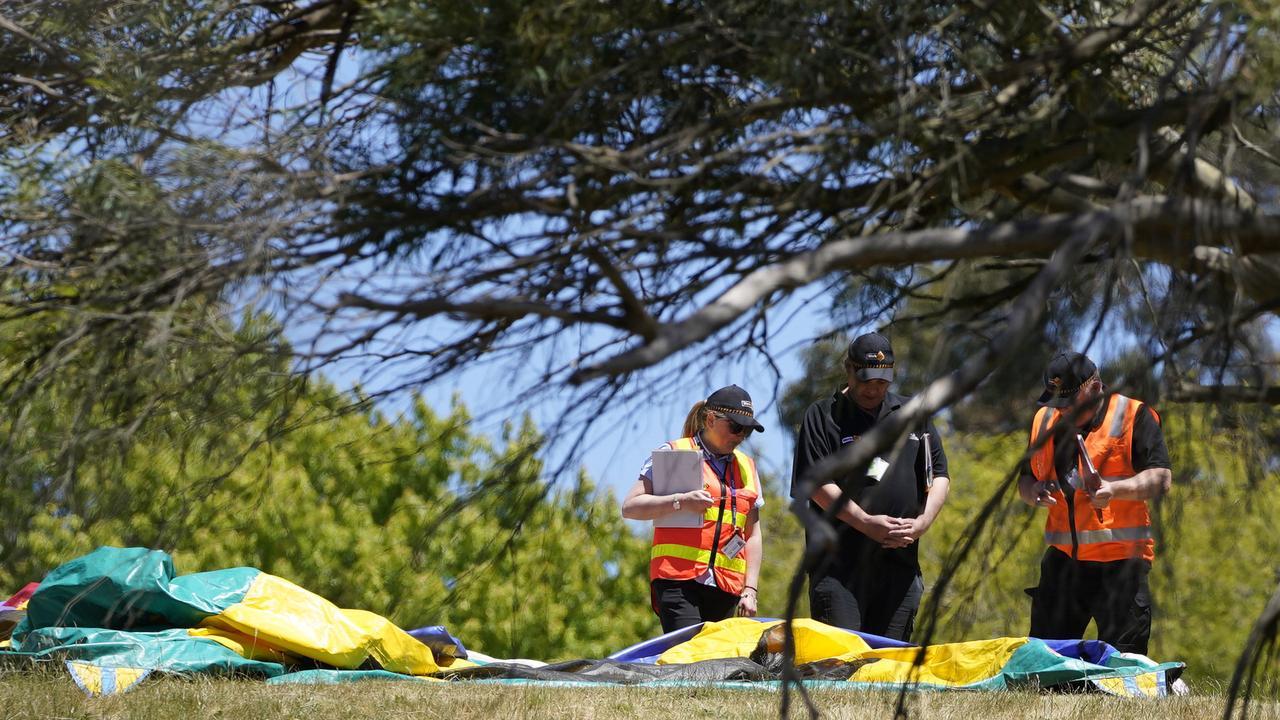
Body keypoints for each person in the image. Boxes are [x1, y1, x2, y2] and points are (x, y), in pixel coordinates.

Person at [789, 332, 951, 641]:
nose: (874, 389)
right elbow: (815, 483)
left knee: (889, 668)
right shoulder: (823, 415)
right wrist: (865, 523)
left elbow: (939, 476)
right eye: (866, 380)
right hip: (839, 569)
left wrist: (922, 523)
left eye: (882, 381)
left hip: (899, 567)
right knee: (842, 663)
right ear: (847, 369)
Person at [1017, 351, 1171, 655]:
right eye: (1058, 403)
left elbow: (1161, 478)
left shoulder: (1133, 415)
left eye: (1071, 403)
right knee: (1045, 660)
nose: (1064, 412)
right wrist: (1032, 490)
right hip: (1064, 562)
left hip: (1120, 562)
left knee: (1123, 668)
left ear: (1096, 387)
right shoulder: (1044, 419)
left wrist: (1114, 490)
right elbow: (1025, 479)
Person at [622, 385, 767, 634]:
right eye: (735, 427)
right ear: (711, 419)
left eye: (747, 431)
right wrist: (681, 501)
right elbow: (631, 507)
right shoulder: (676, 454)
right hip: (678, 580)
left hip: (727, 586)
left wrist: (750, 590)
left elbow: (752, 536)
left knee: (716, 665)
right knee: (689, 661)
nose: (740, 436)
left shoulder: (747, 467)